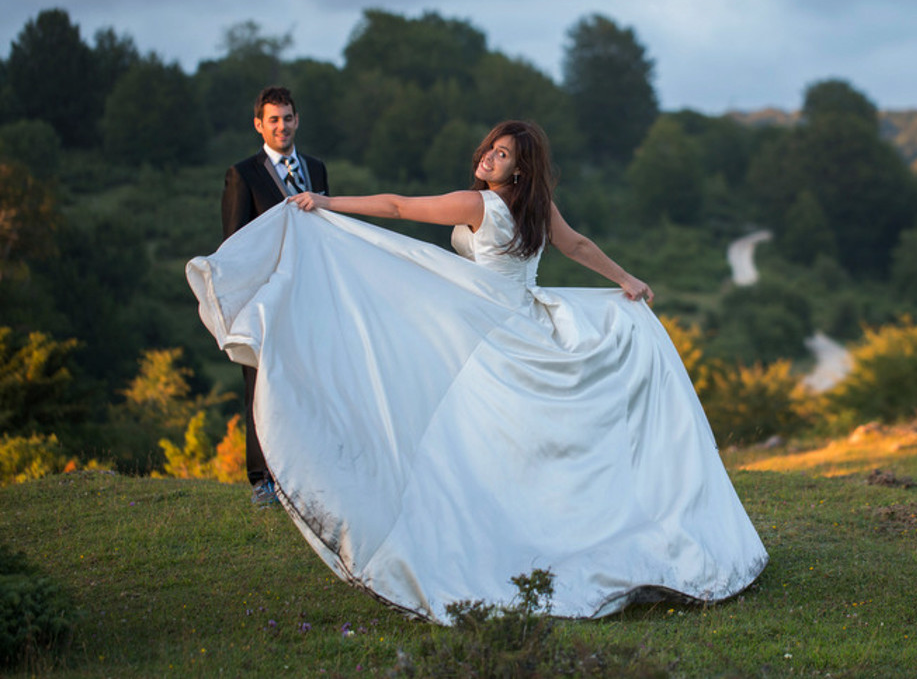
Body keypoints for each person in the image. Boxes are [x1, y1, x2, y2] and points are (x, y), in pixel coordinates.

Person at [187, 120, 767, 622]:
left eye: (502, 154)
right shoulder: (534, 206)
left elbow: (398, 208)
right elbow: (576, 245)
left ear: (519, 170)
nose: (488, 156)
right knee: (516, 449)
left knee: (475, 443)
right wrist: (624, 279)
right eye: (490, 147)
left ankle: (504, 537)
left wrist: (328, 203)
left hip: (488, 334)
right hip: (525, 323)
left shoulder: (480, 204)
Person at [221, 86, 329, 506]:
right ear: (259, 125)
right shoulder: (242, 175)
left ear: (296, 120)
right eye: (273, 120)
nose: (281, 126)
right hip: (264, 297)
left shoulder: (316, 169)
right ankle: (262, 479)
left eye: (287, 118)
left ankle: (303, 475)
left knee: (306, 382)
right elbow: (234, 246)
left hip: (310, 294)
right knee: (260, 384)